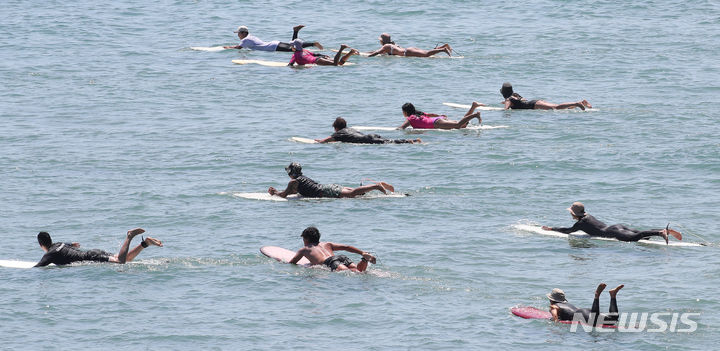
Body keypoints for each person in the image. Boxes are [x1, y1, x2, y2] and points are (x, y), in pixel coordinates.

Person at [542, 202, 683, 244]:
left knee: (634, 238)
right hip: (616, 226)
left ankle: (660, 232)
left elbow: (568, 231)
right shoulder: (588, 216)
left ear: (574, 214)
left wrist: (551, 229)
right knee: (639, 233)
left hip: (612, 233)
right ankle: (664, 231)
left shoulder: (580, 224)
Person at [34, 228, 162, 267]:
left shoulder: (49, 254)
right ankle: (145, 243)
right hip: (93, 252)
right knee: (124, 259)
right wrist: (72, 244)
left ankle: (129, 236)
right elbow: (67, 244)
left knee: (120, 261)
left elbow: (38, 267)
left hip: (92, 256)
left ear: (41, 245)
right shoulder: (59, 244)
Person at [268, 162, 394, 198]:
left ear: (291, 172)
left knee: (352, 194)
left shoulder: (293, 181)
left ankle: (376, 186)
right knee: (357, 193)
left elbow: (284, 195)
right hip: (327, 187)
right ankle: (375, 185)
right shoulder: (301, 178)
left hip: (326, 191)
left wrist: (275, 192)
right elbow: (294, 192)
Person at [290, 226, 377, 272]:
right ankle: (364, 258)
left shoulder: (304, 249)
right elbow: (346, 247)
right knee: (359, 271)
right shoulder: (327, 244)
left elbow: (293, 262)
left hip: (329, 262)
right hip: (340, 258)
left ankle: (364, 260)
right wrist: (361, 252)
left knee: (353, 274)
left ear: (306, 239)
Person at [548, 283, 623, 326]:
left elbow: (555, 316)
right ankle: (613, 295)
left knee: (594, 319)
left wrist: (555, 323)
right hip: (585, 311)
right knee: (613, 319)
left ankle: (597, 296)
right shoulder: (568, 304)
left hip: (582, 315)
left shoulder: (554, 306)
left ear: (551, 299)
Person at [315, 117, 421, 144]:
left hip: (368, 140)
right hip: (371, 136)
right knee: (390, 141)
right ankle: (413, 141)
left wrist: (320, 141)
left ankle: (409, 141)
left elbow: (329, 139)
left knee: (389, 142)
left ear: (336, 127)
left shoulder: (339, 133)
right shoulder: (350, 129)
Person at [223, 25, 323, 51]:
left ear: (244, 33)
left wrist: (227, 48)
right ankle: (295, 31)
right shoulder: (251, 37)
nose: (238, 35)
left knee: (295, 50)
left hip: (273, 48)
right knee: (294, 46)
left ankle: (313, 44)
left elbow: (238, 48)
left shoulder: (245, 40)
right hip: (275, 43)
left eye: (239, 33)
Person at [500, 82, 592, 110]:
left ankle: (577, 103)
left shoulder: (509, 100)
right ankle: (580, 103)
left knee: (556, 107)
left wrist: (505, 106)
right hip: (535, 102)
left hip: (534, 105)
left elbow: (506, 110)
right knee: (558, 107)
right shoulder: (515, 95)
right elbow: (522, 101)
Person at [398, 102, 482, 130]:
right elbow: (431, 114)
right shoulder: (418, 113)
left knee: (458, 125)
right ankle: (473, 106)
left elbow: (402, 128)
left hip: (436, 123)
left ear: (405, 111)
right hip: (438, 119)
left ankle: (475, 115)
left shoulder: (410, 118)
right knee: (462, 125)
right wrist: (439, 115)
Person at [368, 33, 452, 57]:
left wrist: (367, 57)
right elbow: (377, 51)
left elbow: (376, 53)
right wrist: (363, 53)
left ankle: (443, 49)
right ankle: (442, 47)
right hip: (409, 50)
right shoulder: (391, 45)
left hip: (407, 53)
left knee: (426, 54)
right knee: (426, 53)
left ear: (382, 41)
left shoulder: (385, 47)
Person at [289, 41, 358, 66]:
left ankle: (341, 48)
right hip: (319, 58)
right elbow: (315, 54)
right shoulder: (304, 50)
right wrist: (324, 56)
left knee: (335, 64)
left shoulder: (294, 55)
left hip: (317, 61)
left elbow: (290, 64)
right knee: (340, 63)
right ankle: (350, 52)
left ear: (294, 47)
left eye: (292, 46)